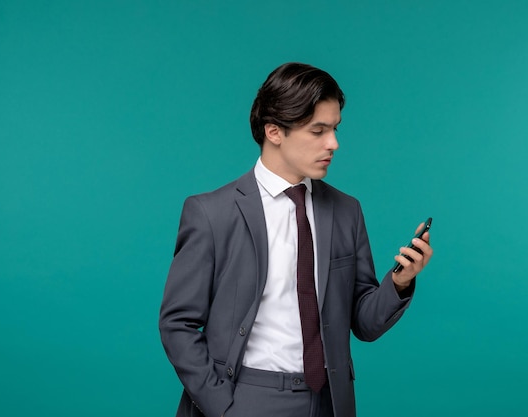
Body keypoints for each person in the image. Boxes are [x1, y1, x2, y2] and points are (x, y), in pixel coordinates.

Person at [159, 62, 433, 417]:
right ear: (274, 131)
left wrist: (399, 281)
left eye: (334, 129)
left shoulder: (346, 210)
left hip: (328, 402)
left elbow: (363, 323)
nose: (333, 143)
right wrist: (221, 406)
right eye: (318, 130)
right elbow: (177, 324)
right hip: (246, 398)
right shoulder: (212, 213)